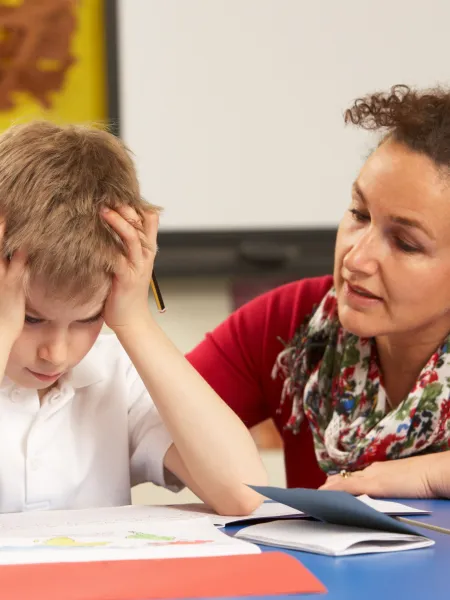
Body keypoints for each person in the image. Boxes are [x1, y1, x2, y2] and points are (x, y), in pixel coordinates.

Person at [187, 84, 450, 499]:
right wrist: (132, 318)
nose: (356, 259)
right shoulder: (293, 322)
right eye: (359, 214)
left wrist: (428, 475)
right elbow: (138, 422)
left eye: (406, 243)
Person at [0, 121, 267, 515]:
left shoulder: (116, 374)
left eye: (87, 319)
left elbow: (245, 494)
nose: (55, 354)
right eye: (32, 319)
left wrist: (134, 322)